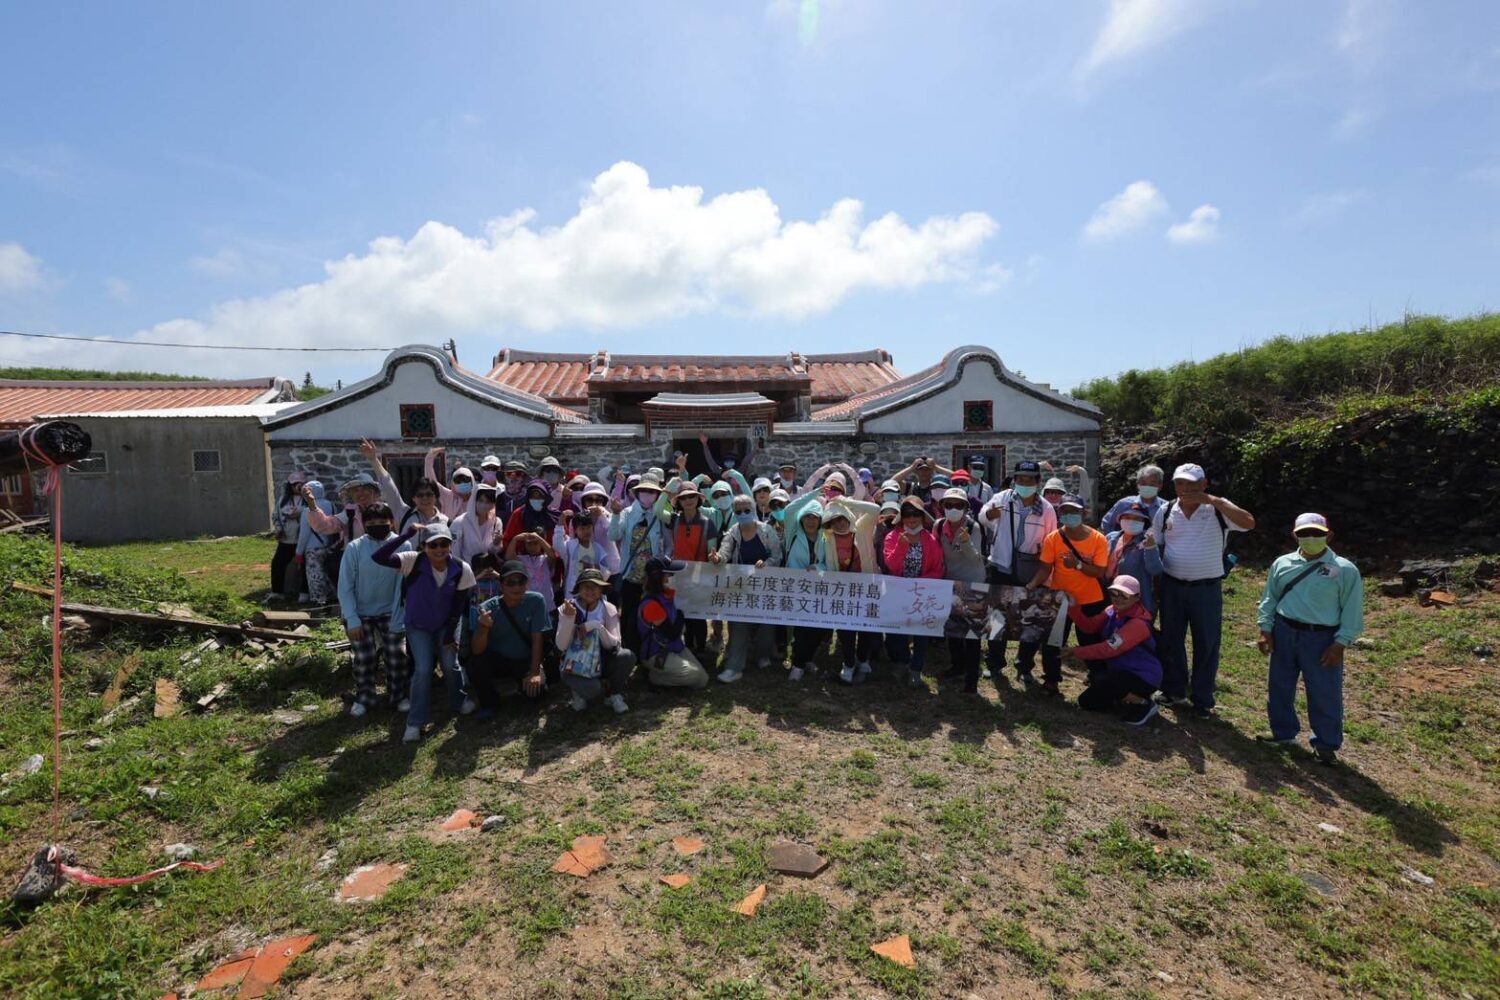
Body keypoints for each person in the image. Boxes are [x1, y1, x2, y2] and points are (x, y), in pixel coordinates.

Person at [1256, 513, 1363, 764]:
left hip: (1321, 638)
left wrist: (1341, 643)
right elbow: (1270, 597)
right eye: (1304, 534)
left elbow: (1352, 610)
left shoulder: (1345, 570)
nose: (1310, 538)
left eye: (1316, 533)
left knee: (1324, 691)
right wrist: (1265, 628)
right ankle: (1282, 734)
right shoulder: (1282, 563)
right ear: (1295, 535)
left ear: (1329, 535)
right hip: (1284, 631)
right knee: (1280, 685)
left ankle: (1326, 746)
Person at [1151, 463, 1255, 716]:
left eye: (1192, 483)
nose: (1186, 489)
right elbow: (1158, 546)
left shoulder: (1218, 510)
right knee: (1171, 639)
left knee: (1206, 643)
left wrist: (1215, 500)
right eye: (1180, 483)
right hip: (1173, 586)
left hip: (1206, 589)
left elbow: (1249, 523)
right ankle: (1174, 689)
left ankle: (1202, 697)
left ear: (1204, 484)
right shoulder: (1165, 511)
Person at [373, 522, 475, 743]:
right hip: (418, 626)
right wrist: (406, 535)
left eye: (444, 544)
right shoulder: (413, 561)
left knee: (450, 664)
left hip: (447, 624)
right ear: (424, 546)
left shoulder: (461, 569)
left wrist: (449, 637)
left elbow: (458, 606)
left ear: (450, 545)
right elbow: (379, 557)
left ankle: (458, 701)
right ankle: (415, 721)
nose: (439, 549)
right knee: (423, 669)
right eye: (433, 545)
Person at [979, 460, 1056, 683]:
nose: (1024, 483)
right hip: (1001, 566)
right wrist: (990, 515)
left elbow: (1051, 541)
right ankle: (994, 663)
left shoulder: (1047, 510)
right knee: (997, 618)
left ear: (1038, 482)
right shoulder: (1003, 498)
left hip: (1031, 570)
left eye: (1029, 480)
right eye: (1020, 479)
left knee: (1030, 619)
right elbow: (984, 516)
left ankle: (1024, 666)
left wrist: (1044, 574)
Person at [1026, 494, 1109, 696]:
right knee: (1052, 642)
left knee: (1090, 641)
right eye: (1065, 511)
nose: (1069, 515)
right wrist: (1032, 584)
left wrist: (1078, 565)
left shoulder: (1098, 539)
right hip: (1060, 599)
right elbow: (1046, 568)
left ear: (1084, 513)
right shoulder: (1053, 538)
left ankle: (1098, 678)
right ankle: (1052, 680)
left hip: (1090, 600)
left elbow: (1099, 571)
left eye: (1074, 511)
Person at [336, 502, 411, 717]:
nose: (377, 526)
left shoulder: (403, 546)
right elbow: (345, 586)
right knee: (364, 657)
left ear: (392, 522)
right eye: (372, 523)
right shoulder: (355, 548)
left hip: (391, 611)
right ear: (364, 524)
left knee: (397, 654)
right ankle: (365, 696)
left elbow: (403, 585)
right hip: (360, 612)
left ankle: (398, 695)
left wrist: (400, 614)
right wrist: (352, 618)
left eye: (382, 522)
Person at [1063, 575, 1162, 725]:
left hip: (1143, 677)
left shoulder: (1138, 624)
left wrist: (1076, 652)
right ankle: (1119, 696)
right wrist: (1073, 607)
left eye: (1124, 595)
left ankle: (1143, 703)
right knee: (1086, 702)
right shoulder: (1111, 610)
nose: (1118, 598)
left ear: (1137, 597)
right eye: (1114, 593)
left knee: (1103, 680)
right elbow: (1089, 627)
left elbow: (1108, 649)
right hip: (1118, 670)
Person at [709, 493, 782, 683]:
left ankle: (761, 655)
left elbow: (777, 556)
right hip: (740, 586)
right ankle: (734, 667)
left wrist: (766, 563)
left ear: (754, 510)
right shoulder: (733, 532)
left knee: (767, 625)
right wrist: (718, 559)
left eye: (746, 510)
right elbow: (725, 551)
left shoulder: (767, 531)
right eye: (738, 511)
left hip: (765, 586)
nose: (743, 513)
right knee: (739, 625)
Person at [469, 559, 551, 719]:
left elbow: (537, 638)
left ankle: (521, 684)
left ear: (527, 584)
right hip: (498, 659)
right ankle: (489, 703)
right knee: (476, 662)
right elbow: (477, 649)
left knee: (537, 695)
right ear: (501, 585)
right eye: (510, 583)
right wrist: (484, 628)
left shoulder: (537, 601)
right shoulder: (487, 608)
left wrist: (535, 672)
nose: (516, 587)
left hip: (523, 659)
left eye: (521, 582)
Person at [883, 497, 946, 687]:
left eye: (916, 514)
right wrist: (902, 546)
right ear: (901, 517)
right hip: (898, 593)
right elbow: (891, 566)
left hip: (922, 593)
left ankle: (916, 669)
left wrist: (923, 584)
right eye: (907, 515)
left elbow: (938, 568)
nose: (912, 519)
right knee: (896, 631)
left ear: (922, 516)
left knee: (920, 633)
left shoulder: (930, 539)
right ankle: (901, 662)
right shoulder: (892, 537)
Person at [556, 567, 637, 714]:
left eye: (595, 586)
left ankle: (614, 694)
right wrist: (568, 619)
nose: (590, 590)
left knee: (627, 656)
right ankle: (578, 692)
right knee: (594, 691)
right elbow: (561, 645)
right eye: (585, 585)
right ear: (578, 588)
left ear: (602, 590)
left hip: (603, 659)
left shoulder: (609, 608)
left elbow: (615, 643)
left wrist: (596, 627)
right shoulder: (566, 608)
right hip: (574, 664)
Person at [610, 475, 670, 652]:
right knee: (629, 614)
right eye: (644, 490)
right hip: (631, 574)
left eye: (652, 491)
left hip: (653, 577)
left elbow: (669, 544)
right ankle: (630, 651)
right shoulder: (626, 513)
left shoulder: (661, 516)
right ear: (636, 493)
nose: (647, 494)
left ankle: (650, 650)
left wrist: (663, 563)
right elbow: (613, 536)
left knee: (653, 614)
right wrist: (614, 515)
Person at [937, 487, 987, 694]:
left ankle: (972, 678)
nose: (953, 509)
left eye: (958, 505)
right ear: (942, 507)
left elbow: (976, 559)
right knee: (953, 630)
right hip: (950, 582)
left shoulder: (974, 527)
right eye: (949, 505)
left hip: (973, 583)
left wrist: (965, 543)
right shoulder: (939, 525)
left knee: (972, 634)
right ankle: (957, 666)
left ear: (966, 508)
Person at [660, 482, 718, 656]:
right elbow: (657, 509)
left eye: (691, 496)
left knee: (698, 614)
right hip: (678, 574)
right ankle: (688, 645)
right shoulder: (674, 519)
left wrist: (713, 557)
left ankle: (700, 648)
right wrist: (669, 487)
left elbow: (711, 550)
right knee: (681, 612)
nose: (688, 500)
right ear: (678, 501)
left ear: (698, 499)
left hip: (699, 574)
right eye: (683, 497)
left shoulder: (708, 523)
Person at [637, 557, 711, 689]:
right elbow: (671, 633)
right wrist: (681, 615)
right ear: (658, 577)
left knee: (702, 680)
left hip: (675, 646)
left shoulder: (666, 595)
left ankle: (663, 673)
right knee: (695, 675)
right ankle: (655, 677)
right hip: (656, 653)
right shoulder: (651, 604)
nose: (672, 577)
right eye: (669, 574)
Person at [783, 490, 832, 681]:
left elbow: (830, 562)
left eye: (815, 517)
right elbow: (789, 510)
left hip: (819, 588)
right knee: (802, 628)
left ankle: (807, 658)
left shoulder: (826, 537)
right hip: (796, 587)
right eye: (807, 517)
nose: (811, 521)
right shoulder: (793, 532)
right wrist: (817, 493)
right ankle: (798, 665)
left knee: (818, 628)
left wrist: (818, 567)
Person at [1104, 503, 1163, 614]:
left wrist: (1150, 548)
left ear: (1144, 523)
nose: (1131, 521)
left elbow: (1155, 570)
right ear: (1120, 519)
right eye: (1127, 517)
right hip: (1110, 595)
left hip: (1136, 602)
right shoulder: (1111, 537)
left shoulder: (1147, 541)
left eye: (1137, 519)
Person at [296, 480, 341, 605]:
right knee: (328, 572)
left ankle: (319, 600)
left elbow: (304, 534)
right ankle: (333, 596)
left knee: (315, 575)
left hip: (313, 547)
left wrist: (299, 552)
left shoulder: (307, 510)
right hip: (329, 545)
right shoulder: (331, 505)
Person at [270, 472, 307, 600]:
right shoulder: (283, 500)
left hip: (302, 540)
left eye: (300, 484)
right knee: (277, 564)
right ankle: (277, 592)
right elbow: (276, 516)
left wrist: (300, 514)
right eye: (294, 484)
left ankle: (304, 593)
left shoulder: (308, 501)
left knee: (304, 566)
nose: (297, 487)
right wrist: (279, 529)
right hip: (286, 540)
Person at [1100, 464, 1166, 536]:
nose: (1147, 487)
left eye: (1152, 484)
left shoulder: (1166, 508)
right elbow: (1106, 523)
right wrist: (1114, 540)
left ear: (1160, 485)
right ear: (1138, 484)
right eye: (1143, 483)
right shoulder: (1124, 504)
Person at [450, 482, 501, 566]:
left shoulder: (496, 522)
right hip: (466, 572)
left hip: (488, 572)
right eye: (480, 500)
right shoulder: (459, 522)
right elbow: (455, 553)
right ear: (474, 500)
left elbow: (494, 551)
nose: (484, 505)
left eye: (488, 502)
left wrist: (496, 543)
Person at [501, 479, 557, 549]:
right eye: (533, 497)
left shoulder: (555, 516)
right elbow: (507, 540)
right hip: (520, 557)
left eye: (540, 497)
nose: (536, 500)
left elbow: (561, 544)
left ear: (547, 498)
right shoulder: (519, 514)